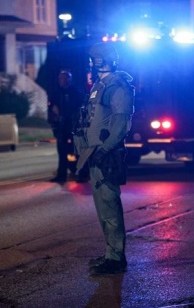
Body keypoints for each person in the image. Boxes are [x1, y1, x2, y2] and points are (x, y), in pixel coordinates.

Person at [74, 42, 135, 275]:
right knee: (103, 208)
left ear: (101, 61)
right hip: (96, 153)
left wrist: (105, 149)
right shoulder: (101, 86)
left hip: (107, 155)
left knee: (109, 206)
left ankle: (116, 258)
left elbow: (121, 123)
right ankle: (111, 254)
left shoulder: (117, 86)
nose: (90, 63)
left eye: (94, 59)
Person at [48, 71, 86, 183]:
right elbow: (52, 105)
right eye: (60, 79)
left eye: (64, 79)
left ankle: (82, 175)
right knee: (62, 151)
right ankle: (61, 175)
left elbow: (81, 107)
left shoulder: (76, 92)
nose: (62, 81)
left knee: (78, 151)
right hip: (62, 125)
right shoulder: (57, 92)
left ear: (69, 80)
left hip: (74, 126)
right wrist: (53, 110)